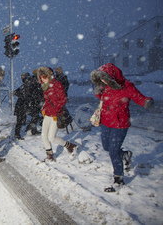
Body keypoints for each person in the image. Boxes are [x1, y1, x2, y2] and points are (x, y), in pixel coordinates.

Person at [90, 63, 154, 192]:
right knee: (106, 147)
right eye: (101, 79)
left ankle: (118, 179)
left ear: (111, 76)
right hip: (106, 122)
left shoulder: (126, 86)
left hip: (120, 124)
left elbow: (138, 97)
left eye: (104, 78)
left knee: (113, 151)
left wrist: (146, 102)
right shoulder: (107, 86)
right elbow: (104, 99)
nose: (103, 81)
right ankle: (125, 155)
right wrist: (98, 93)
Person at [37, 66, 77, 162]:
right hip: (47, 114)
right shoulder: (45, 86)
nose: (43, 79)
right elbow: (48, 100)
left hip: (55, 115)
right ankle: (50, 156)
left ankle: (70, 146)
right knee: (44, 136)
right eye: (41, 77)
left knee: (52, 137)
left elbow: (63, 100)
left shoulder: (56, 84)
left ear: (49, 76)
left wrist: (55, 111)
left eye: (44, 76)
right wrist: (44, 108)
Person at [13, 72, 32, 140]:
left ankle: (17, 133)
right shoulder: (25, 85)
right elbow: (17, 92)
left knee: (21, 120)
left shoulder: (26, 84)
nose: (22, 78)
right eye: (22, 76)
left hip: (22, 105)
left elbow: (17, 92)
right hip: (22, 105)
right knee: (20, 120)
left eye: (23, 76)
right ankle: (17, 134)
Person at [25, 69, 44, 135]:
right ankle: (37, 129)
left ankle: (32, 128)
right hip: (37, 101)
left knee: (35, 116)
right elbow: (39, 91)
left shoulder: (30, 80)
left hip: (33, 101)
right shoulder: (37, 80)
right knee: (40, 115)